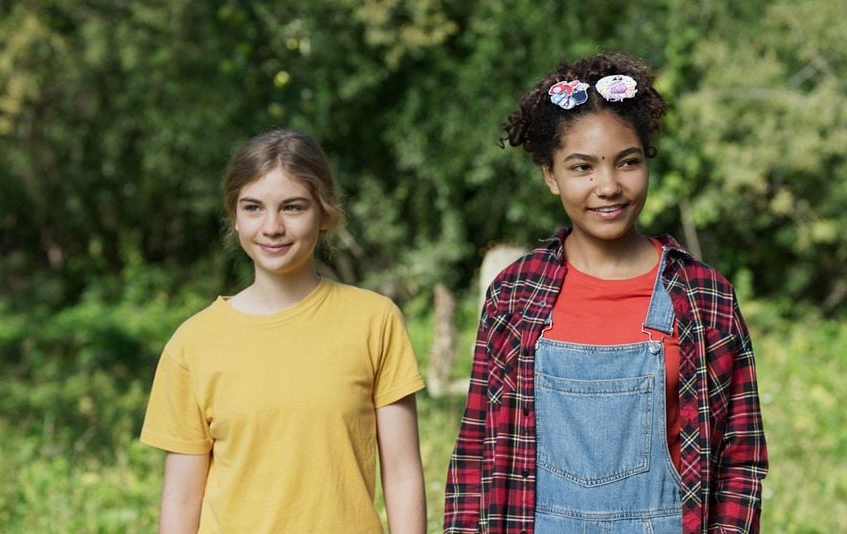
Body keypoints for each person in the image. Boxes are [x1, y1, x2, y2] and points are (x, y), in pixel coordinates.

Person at [443, 52, 768, 533]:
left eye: (627, 162)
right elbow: (475, 455)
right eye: (582, 168)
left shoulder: (704, 297)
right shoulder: (514, 297)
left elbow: (741, 460)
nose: (609, 186)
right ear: (550, 176)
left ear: (647, 162)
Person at [140, 129, 426, 533]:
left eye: (292, 207)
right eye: (253, 207)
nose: (271, 227)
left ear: (324, 214)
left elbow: (402, 476)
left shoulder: (375, 321)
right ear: (234, 218)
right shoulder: (193, 344)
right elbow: (182, 495)